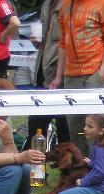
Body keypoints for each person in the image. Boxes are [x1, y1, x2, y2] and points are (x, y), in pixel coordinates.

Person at [50, 0, 104, 156]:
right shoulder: (66, 6)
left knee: (98, 126)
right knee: (76, 128)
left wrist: (102, 71)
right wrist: (58, 76)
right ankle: (81, 169)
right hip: (71, 75)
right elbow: (63, 42)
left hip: (93, 73)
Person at [26, 0, 71, 150]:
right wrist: (39, 43)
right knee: (36, 127)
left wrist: (59, 75)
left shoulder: (71, 5)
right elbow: (48, 41)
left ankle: (70, 171)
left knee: (65, 129)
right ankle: (38, 170)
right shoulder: (46, 5)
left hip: (63, 74)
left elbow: (67, 43)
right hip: (43, 72)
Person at [58, 115, 104, 194]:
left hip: (100, 188)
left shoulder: (99, 149)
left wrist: (83, 181)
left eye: (90, 126)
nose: (85, 129)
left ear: (101, 131)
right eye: (85, 125)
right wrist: (91, 163)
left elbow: (100, 173)